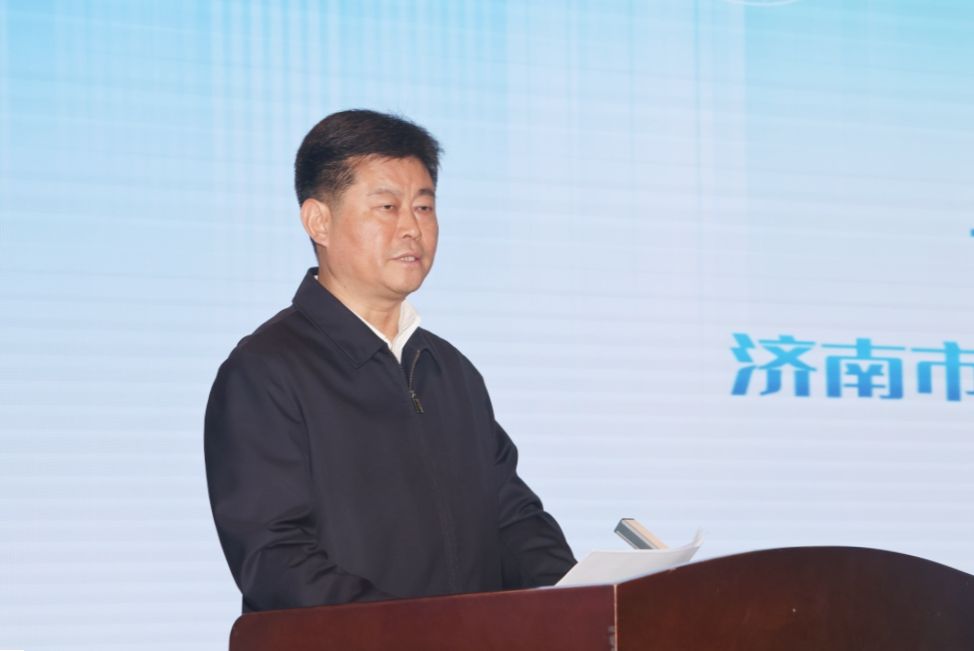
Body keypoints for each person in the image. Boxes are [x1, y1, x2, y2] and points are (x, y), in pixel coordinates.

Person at [204, 109, 575, 613]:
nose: (411, 229)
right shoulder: (265, 372)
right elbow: (275, 558)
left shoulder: (450, 371)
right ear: (319, 221)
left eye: (423, 207)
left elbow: (513, 521)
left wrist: (584, 599)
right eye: (386, 207)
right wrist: (418, 632)